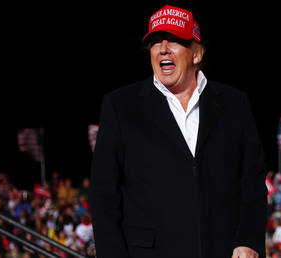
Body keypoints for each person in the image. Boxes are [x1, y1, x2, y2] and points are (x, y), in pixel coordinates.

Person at [89, 4, 267, 258]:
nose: (162, 48)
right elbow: (104, 195)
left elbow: (252, 183)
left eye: (173, 40)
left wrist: (248, 240)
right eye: (154, 42)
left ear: (197, 54)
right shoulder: (120, 107)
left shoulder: (235, 104)